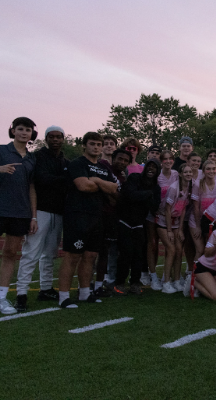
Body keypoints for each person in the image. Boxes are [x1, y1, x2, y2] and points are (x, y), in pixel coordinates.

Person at [0, 117, 38, 317]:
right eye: (20, 129)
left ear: (32, 134)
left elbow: (32, 188)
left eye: (28, 130)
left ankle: (1, 300)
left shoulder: (31, 158)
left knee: (11, 255)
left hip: (21, 213)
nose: (24, 132)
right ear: (12, 131)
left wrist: (34, 216)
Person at [58, 132, 118, 308]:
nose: (96, 147)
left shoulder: (104, 168)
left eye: (99, 144)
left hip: (97, 216)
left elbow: (113, 188)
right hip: (77, 215)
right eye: (92, 144)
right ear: (84, 145)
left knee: (91, 256)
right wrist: (101, 186)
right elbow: (83, 185)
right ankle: (63, 296)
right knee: (72, 256)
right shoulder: (77, 163)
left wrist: (97, 181)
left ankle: (85, 293)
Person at [13, 126, 68, 311]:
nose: (55, 140)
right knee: (31, 253)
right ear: (45, 139)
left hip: (58, 212)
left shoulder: (64, 159)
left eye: (58, 137)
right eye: (51, 137)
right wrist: (63, 179)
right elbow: (42, 179)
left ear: (63, 139)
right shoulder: (37, 156)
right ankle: (21, 294)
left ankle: (45, 288)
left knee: (50, 254)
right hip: (41, 211)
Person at [113, 159, 161, 295]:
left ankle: (135, 283)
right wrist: (147, 195)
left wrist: (145, 197)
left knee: (138, 255)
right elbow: (129, 195)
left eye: (155, 167)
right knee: (125, 253)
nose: (151, 169)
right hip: (125, 221)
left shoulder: (155, 187)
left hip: (140, 223)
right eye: (150, 166)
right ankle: (119, 283)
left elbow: (154, 207)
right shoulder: (135, 177)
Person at [152, 164, 193, 293]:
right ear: (180, 174)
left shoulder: (189, 187)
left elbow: (183, 208)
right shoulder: (174, 188)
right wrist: (169, 230)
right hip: (164, 220)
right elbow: (168, 209)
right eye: (185, 172)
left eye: (190, 172)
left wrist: (180, 229)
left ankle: (176, 280)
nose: (188, 174)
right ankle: (166, 282)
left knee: (179, 249)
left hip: (176, 222)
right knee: (171, 249)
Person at [145, 150, 179, 290]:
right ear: (161, 161)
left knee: (170, 246)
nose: (168, 161)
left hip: (170, 216)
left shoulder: (176, 174)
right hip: (154, 214)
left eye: (170, 159)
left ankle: (170, 275)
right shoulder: (156, 176)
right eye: (165, 159)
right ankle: (153, 276)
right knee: (152, 245)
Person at [97, 148, 131, 288]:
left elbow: (121, 198)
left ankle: (110, 280)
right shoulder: (105, 170)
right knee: (100, 250)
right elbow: (104, 189)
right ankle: (99, 282)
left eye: (125, 160)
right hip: (102, 214)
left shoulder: (123, 177)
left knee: (113, 250)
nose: (122, 162)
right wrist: (113, 195)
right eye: (120, 159)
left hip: (116, 217)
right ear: (113, 158)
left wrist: (115, 196)